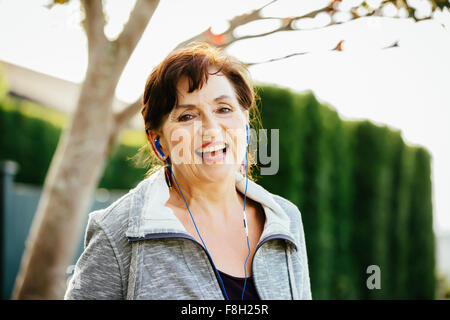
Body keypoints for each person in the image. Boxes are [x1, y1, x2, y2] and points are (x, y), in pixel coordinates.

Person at [64, 42, 311, 300]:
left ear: (245, 122)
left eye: (223, 109)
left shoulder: (284, 220)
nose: (211, 129)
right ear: (158, 143)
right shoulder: (118, 231)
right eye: (187, 116)